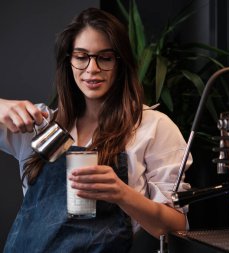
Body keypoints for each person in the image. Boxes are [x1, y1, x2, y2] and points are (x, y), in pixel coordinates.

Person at [0, 7, 191, 252]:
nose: (92, 69)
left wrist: (123, 194)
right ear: (68, 60)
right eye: (81, 56)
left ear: (120, 62)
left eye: (105, 57)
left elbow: (177, 226)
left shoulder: (152, 127)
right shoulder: (39, 124)